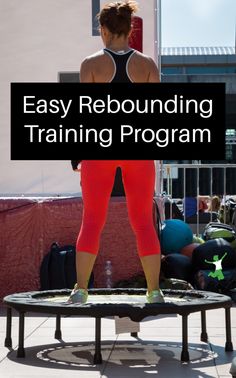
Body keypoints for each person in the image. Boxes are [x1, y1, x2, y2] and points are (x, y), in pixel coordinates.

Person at [68, 0, 164, 304]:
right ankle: (154, 291)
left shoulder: (90, 64)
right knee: (143, 222)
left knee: (92, 220)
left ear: (105, 30)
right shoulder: (148, 65)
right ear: (129, 29)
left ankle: (81, 290)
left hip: (101, 149)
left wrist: (76, 156)